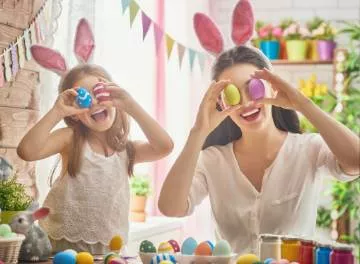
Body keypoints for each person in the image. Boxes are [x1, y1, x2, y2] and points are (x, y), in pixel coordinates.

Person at [158, 1, 359, 254]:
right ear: (220, 102)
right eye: (232, 94)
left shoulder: (308, 149)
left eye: (253, 87)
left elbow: (356, 161)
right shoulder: (212, 160)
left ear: (273, 86)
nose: (246, 103)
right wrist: (199, 131)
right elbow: (170, 207)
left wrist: (302, 103)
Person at [17, 19, 173, 254]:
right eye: (84, 98)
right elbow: (26, 151)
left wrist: (130, 104)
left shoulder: (126, 151)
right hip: (61, 248)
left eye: (100, 93)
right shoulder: (71, 139)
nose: (94, 103)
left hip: (107, 252)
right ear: (76, 115)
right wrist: (57, 111)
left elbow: (165, 146)